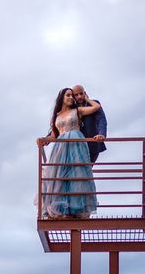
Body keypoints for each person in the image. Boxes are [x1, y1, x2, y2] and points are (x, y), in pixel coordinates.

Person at [41, 88, 101, 219]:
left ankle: (76, 209)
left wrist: (85, 98)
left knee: (76, 174)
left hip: (76, 144)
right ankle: (63, 210)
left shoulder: (77, 111)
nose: (71, 97)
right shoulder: (56, 116)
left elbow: (96, 107)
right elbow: (54, 136)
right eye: (68, 95)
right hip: (61, 147)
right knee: (59, 177)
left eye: (72, 95)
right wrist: (44, 140)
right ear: (62, 97)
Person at [72, 84, 107, 163]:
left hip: (93, 144)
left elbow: (101, 120)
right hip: (76, 146)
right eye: (76, 95)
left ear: (85, 93)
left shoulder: (94, 104)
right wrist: (48, 138)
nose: (79, 96)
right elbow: (64, 123)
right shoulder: (71, 108)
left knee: (86, 170)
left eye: (81, 93)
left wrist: (102, 134)